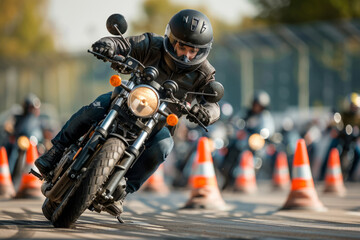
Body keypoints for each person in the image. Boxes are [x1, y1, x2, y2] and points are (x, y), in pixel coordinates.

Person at [35, 9, 221, 208]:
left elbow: (213, 104)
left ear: (201, 51)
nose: (187, 54)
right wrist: (108, 45)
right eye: (183, 47)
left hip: (160, 120)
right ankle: (56, 150)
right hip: (126, 99)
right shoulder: (151, 44)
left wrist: (206, 112)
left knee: (163, 147)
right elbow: (123, 43)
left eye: (193, 51)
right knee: (94, 109)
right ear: (172, 40)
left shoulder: (204, 73)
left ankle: (123, 188)